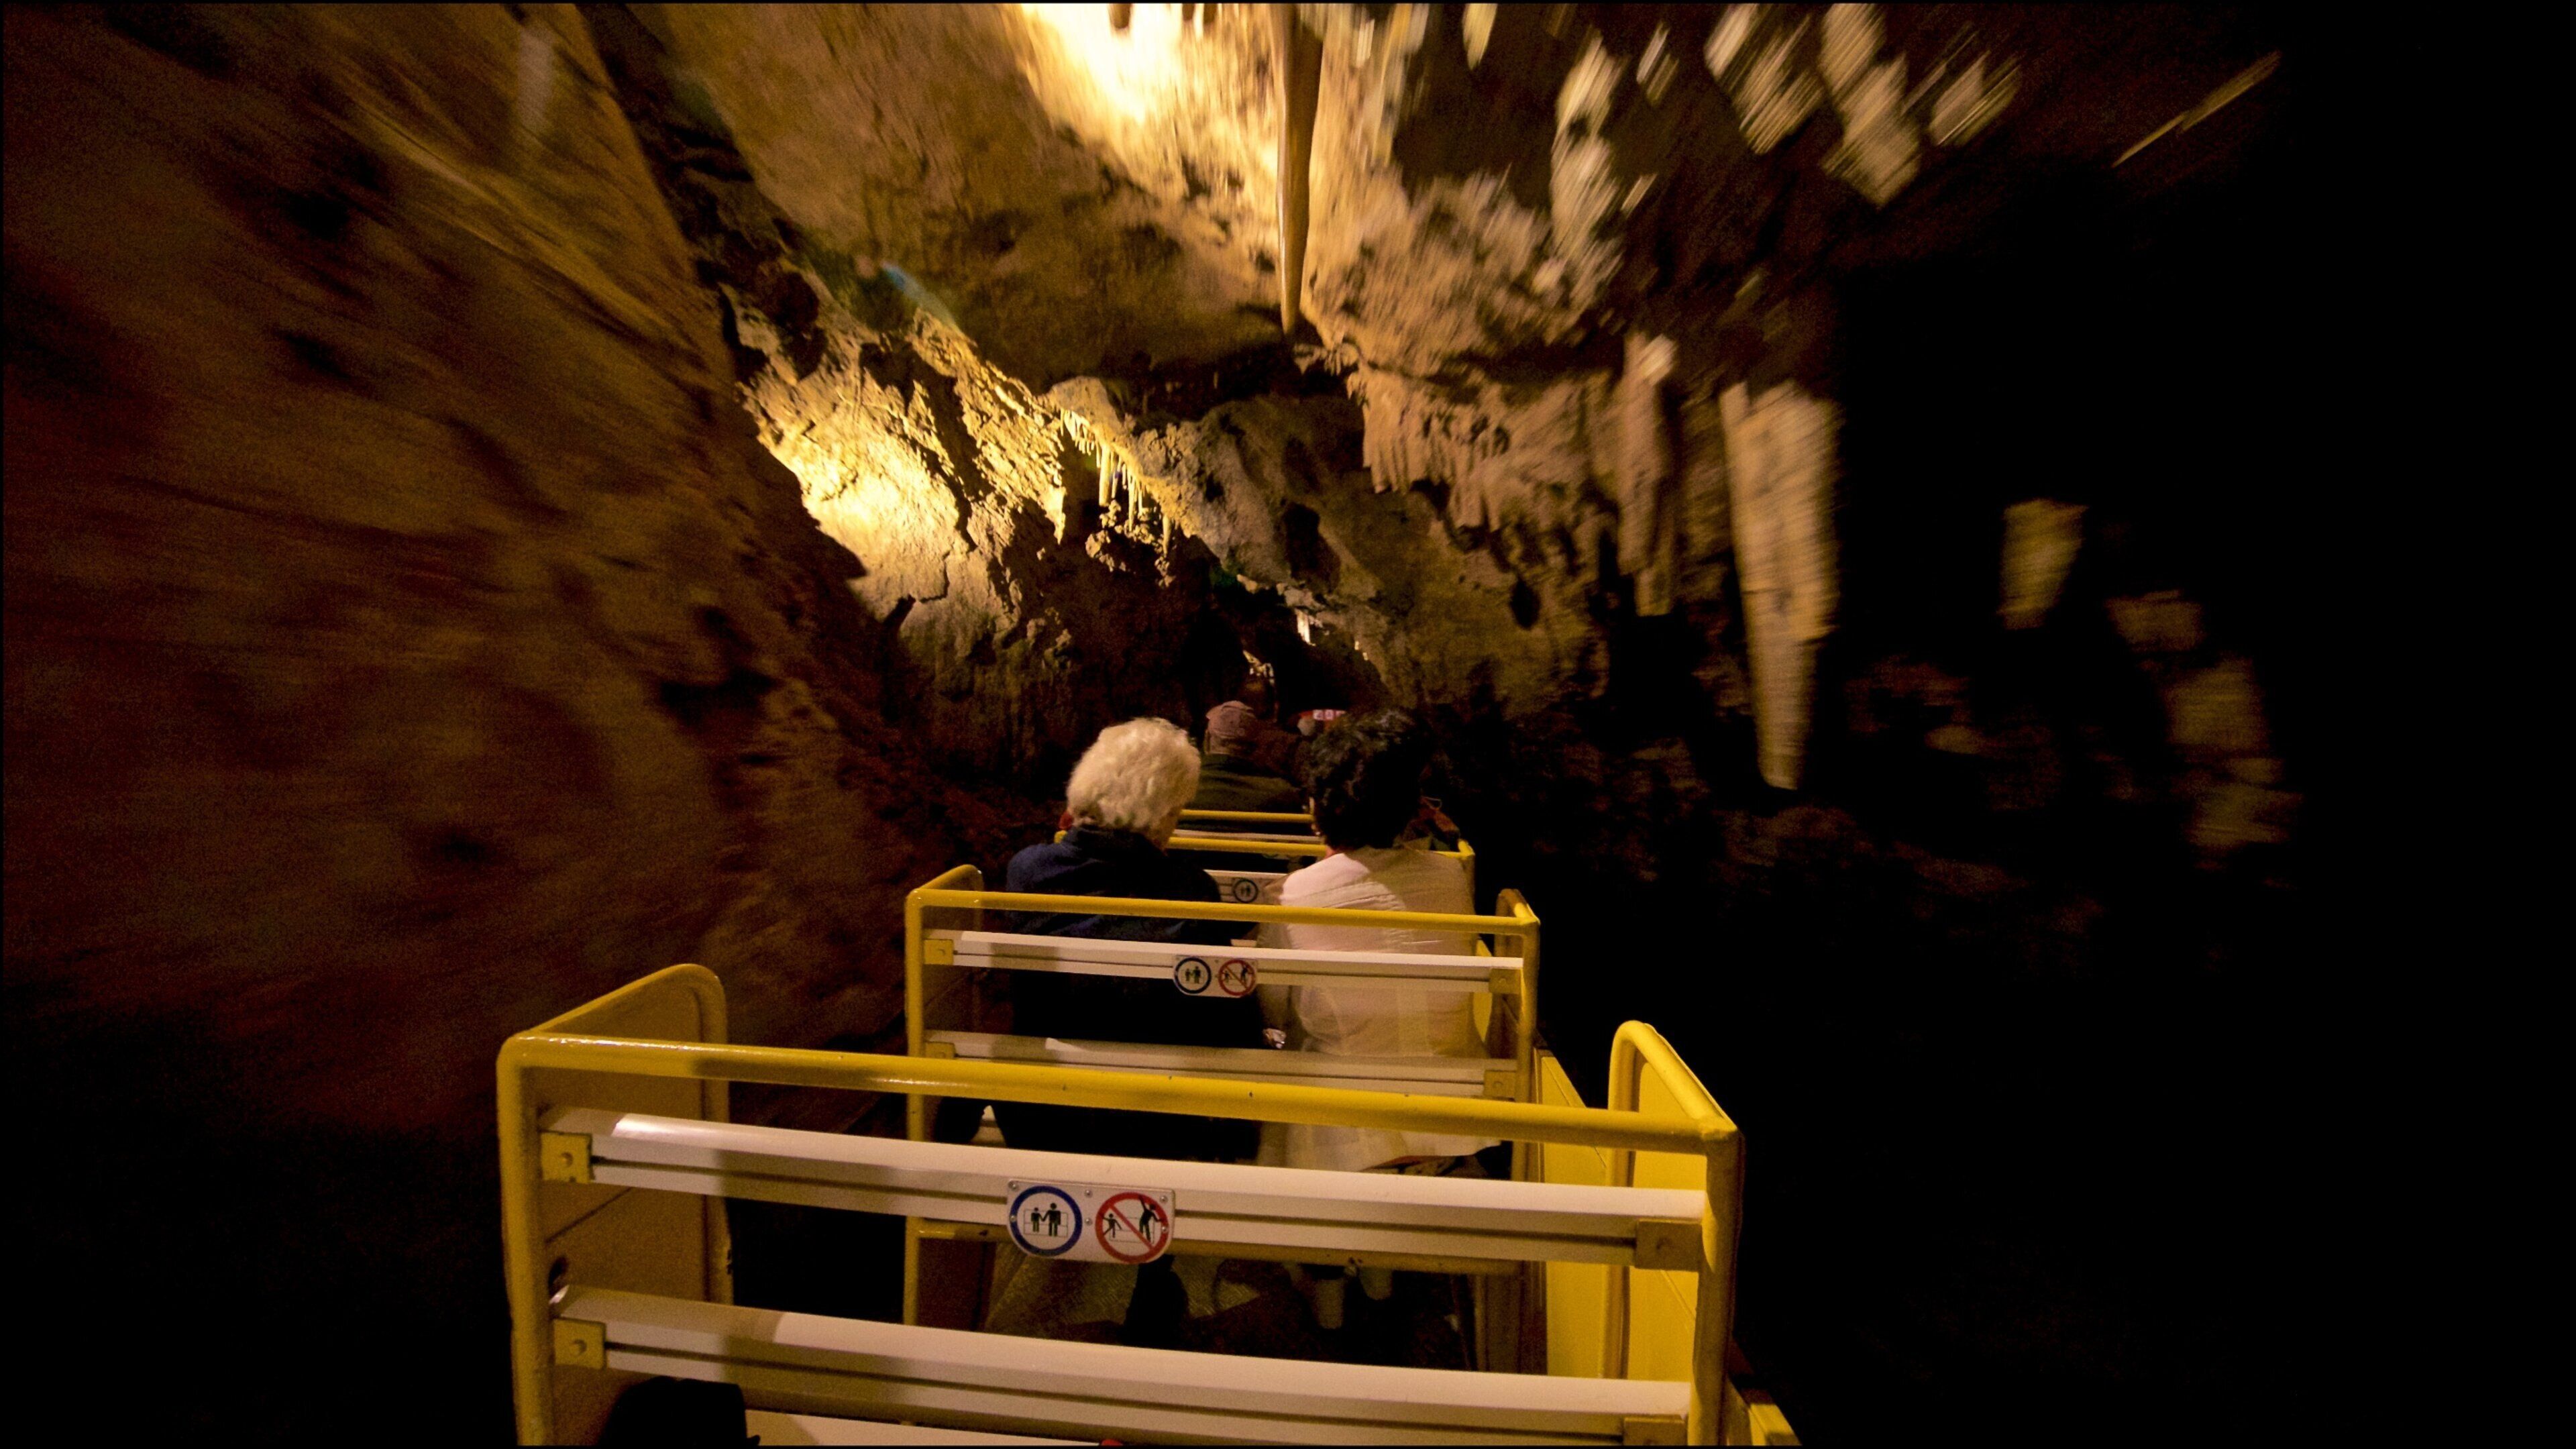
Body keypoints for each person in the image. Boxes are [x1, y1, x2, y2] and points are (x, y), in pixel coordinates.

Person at [992, 717, 1264, 1349]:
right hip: (1155, 1123)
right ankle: (1155, 1275)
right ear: (1162, 810)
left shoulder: (1026, 871)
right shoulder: (1187, 891)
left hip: (1043, 1114)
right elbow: (1228, 1018)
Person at [1257, 711, 1506, 1326]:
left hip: (1344, 1127)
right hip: (1455, 1116)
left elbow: (1277, 1013)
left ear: (1321, 811)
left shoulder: (1291, 898)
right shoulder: (1452, 880)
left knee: (1294, 1067)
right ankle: (1379, 1277)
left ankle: (1329, 1296)